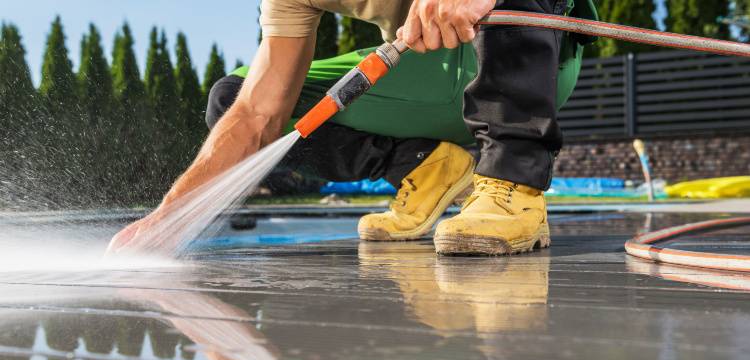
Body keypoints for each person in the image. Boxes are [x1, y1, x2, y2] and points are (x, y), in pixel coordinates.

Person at [109, 0, 596, 256]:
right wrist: (169, 219)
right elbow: (258, 115)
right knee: (233, 98)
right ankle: (426, 168)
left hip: (535, 53)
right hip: (428, 69)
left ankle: (513, 183)